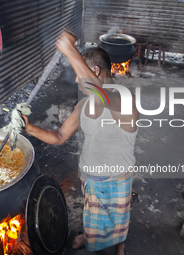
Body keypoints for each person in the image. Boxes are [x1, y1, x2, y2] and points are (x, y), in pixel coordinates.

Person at [22, 31, 139, 255]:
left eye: (79, 73)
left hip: (118, 176)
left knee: (119, 217)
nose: (76, 80)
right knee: (94, 217)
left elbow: (98, 93)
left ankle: (120, 246)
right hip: (91, 176)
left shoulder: (124, 99)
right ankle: (90, 237)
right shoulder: (83, 106)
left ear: (94, 71)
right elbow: (59, 136)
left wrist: (70, 50)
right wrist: (29, 128)